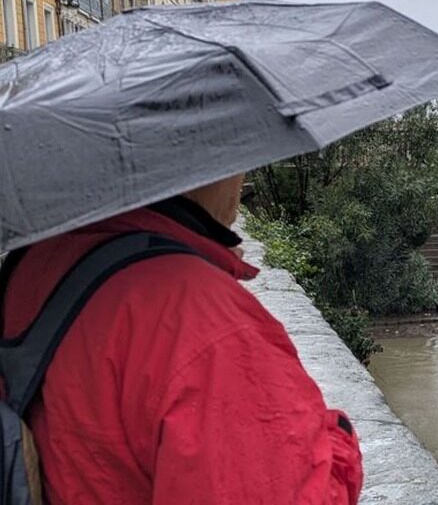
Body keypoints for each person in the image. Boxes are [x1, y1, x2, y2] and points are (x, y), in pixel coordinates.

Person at [0, 174, 363, 503]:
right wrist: (338, 441)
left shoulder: (37, 261)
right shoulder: (203, 323)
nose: (244, 177)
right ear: (200, 162)